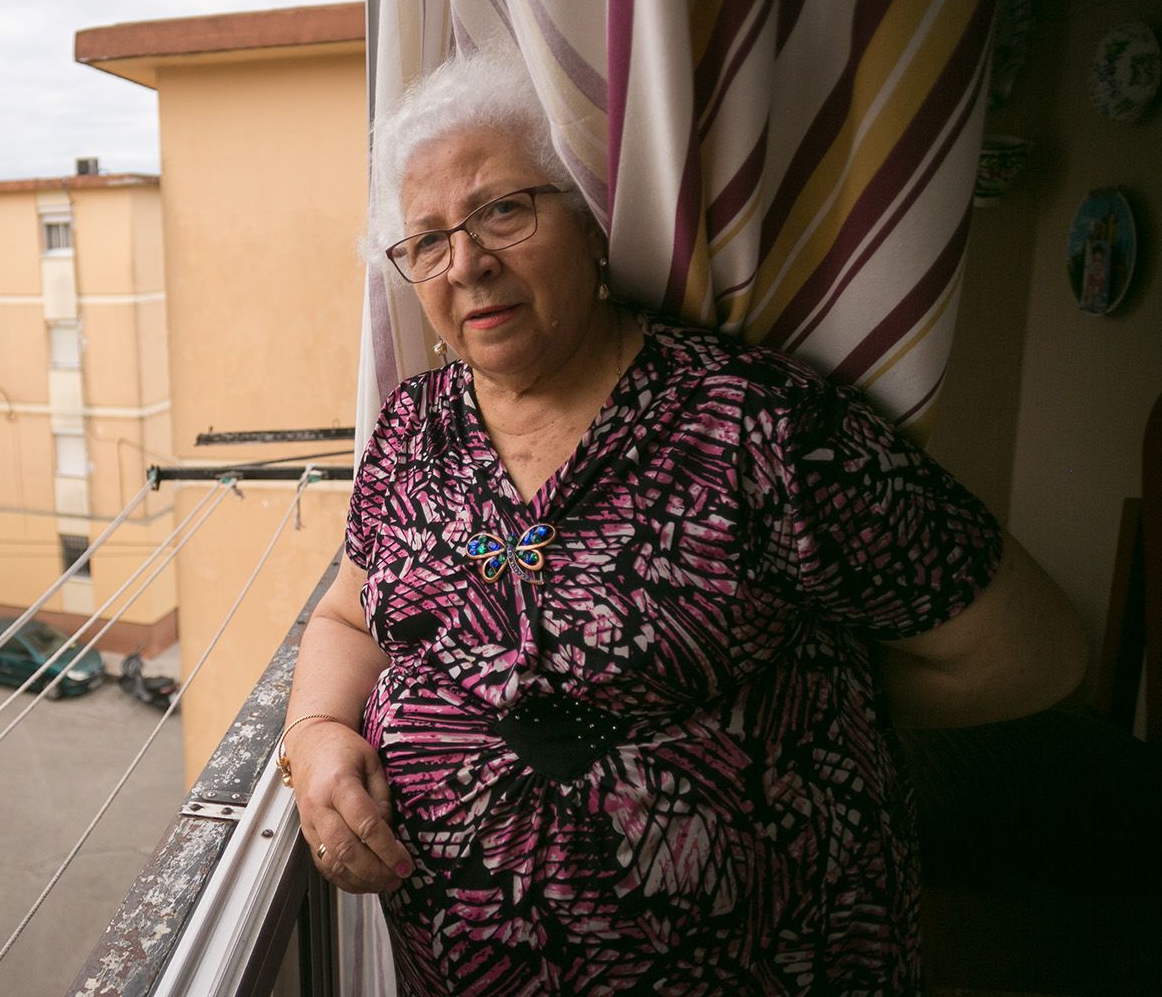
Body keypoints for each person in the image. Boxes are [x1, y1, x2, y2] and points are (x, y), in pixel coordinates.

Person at [279, 48, 1087, 995]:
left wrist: (791, 718)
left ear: (587, 222)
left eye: (503, 209)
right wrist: (319, 731)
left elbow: (1032, 650)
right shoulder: (413, 433)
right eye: (427, 240)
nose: (467, 263)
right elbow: (348, 614)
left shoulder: (758, 427)